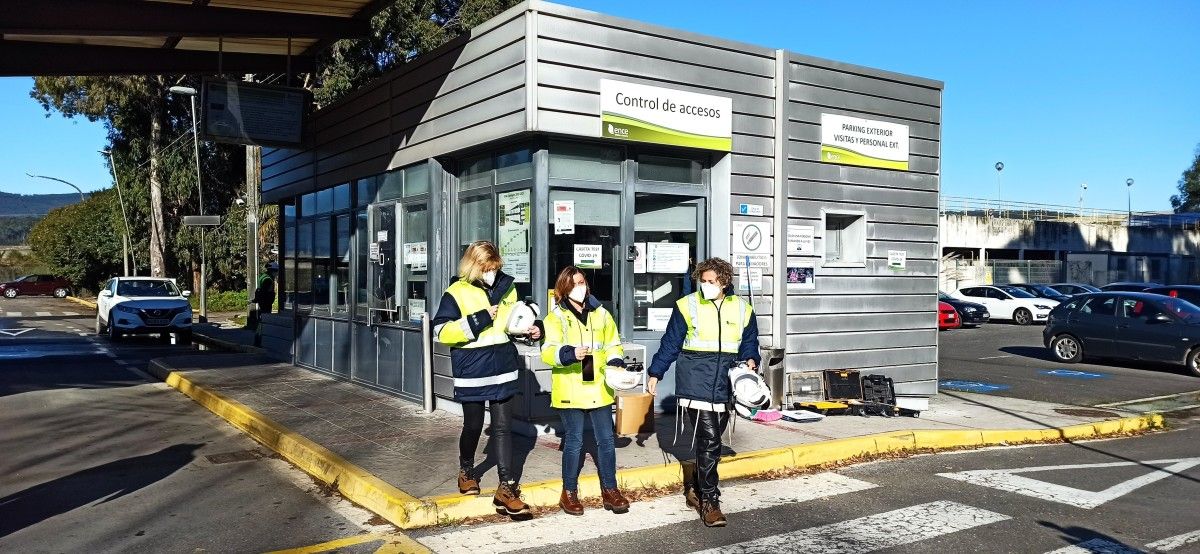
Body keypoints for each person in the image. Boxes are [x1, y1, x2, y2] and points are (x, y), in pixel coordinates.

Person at [646, 257, 760, 527]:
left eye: (711, 281)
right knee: (710, 440)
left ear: (724, 281)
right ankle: (710, 500)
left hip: (725, 382)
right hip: (695, 381)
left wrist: (751, 358)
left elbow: (749, 340)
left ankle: (694, 486)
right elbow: (671, 342)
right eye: (703, 281)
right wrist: (655, 372)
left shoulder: (743, 309)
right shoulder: (687, 305)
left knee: (712, 439)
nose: (706, 285)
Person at [432, 241, 542, 516]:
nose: (492, 272)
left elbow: (512, 322)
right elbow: (441, 332)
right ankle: (466, 470)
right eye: (486, 267)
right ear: (474, 266)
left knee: (503, 427)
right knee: (473, 425)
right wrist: (480, 318)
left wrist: (530, 330)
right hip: (472, 369)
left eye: (495, 267)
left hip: (503, 365)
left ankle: (506, 488)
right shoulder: (455, 292)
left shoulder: (508, 287)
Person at [540, 266, 630, 516]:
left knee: (606, 440)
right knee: (574, 441)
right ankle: (568, 493)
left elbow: (613, 344)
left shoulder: (601, 314)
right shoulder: (555, 318)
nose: (579, 288)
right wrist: (569, 353)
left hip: (598, 386)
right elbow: (547, 351)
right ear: (563, 289)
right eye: (573, 284)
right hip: (570, 388)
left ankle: (610, 490)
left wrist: (615, 362)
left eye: (581, 282)